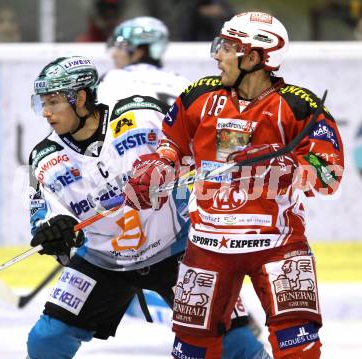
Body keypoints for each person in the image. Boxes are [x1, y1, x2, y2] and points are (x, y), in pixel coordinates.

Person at [126, 11, 345, 359]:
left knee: (300, 348)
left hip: (278, 245)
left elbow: (329, 175)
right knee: (191, 351)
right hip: (207, 245)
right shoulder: (197, 96)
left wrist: (285, 164)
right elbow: (172, 144)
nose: (217, 55)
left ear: (256, 57)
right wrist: (158, 167)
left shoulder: (299, 105)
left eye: (228, 47)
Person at [26, 55, 269, 359]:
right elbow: (42, 216)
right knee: (46, 341)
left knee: (235, 342)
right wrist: (55, 230)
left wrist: (244, 145)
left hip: (176, 247)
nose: (46, 113)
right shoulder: (44, 158)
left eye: (54, 102)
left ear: (82, 97)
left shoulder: (140, 113)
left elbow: (198, 133)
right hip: (104, 260)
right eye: (42, 104)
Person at [99, 14, 267, 350]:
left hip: (137, 177)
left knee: (123, 249)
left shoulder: (110, 80)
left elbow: (98, 139)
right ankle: (237, 322)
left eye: (120, 46)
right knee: (195, 255)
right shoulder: (181, 80)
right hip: (180, 176)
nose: (114, 53)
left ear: (134, 48)